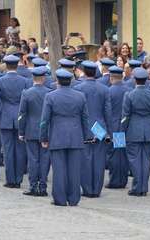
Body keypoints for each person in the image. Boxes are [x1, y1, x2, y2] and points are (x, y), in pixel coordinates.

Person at [40, 68, 91, 206]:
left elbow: (45, 120)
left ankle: (60, 198)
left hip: (57, 136)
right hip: (76, 136)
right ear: (70, 81)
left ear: (58, 81)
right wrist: (87, 136)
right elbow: (85, 118)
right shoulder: (80, 96)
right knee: (74, 169)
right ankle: (74, 198)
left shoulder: (50, 96)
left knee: (59, 169)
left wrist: (43, 138)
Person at [74, 60, 112, 198]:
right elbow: (108, 112)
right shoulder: (104, 89)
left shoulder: (78, 88)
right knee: (99, 159)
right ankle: (96, 189)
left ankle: (87, 188)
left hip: (84, 127)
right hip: (100, 127)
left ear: (84, 71)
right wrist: (109, 132)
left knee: (85, 159)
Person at [121, 67, 150, 196]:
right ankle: (144, 187)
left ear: (134, 79)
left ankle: (137, 187)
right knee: (146, 160)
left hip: (133, 130)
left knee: (135, 160)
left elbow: (125, 116)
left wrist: (122, 132)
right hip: (149, 130)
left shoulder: (129, 95)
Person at [0, 54, 28, 188]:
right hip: (20, 117)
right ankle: (18, 179)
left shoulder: (0, 81)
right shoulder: (24, 81)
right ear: (17, 65)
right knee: (20, 150)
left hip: (5, 117)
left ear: (6, 65)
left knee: (7, 150)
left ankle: (10, 179)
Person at [18, 66, 51, 197]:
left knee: (33, 160)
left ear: (33, 78)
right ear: (43, 78)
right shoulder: (50, 92)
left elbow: (22, 114)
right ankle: (42, 186)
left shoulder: (26, 93)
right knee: (45, 159)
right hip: (46, 130)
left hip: (30, 130)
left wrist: (21, 131)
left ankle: (33, 186)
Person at [105, 66, 130, 189]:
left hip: (113, 126)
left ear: (111, 77)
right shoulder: (129, 90)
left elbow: (107, 111)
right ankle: (123, 179)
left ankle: (115, 180)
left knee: (114, 155)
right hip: (126, 126)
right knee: (123, 154)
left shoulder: (109, 91)